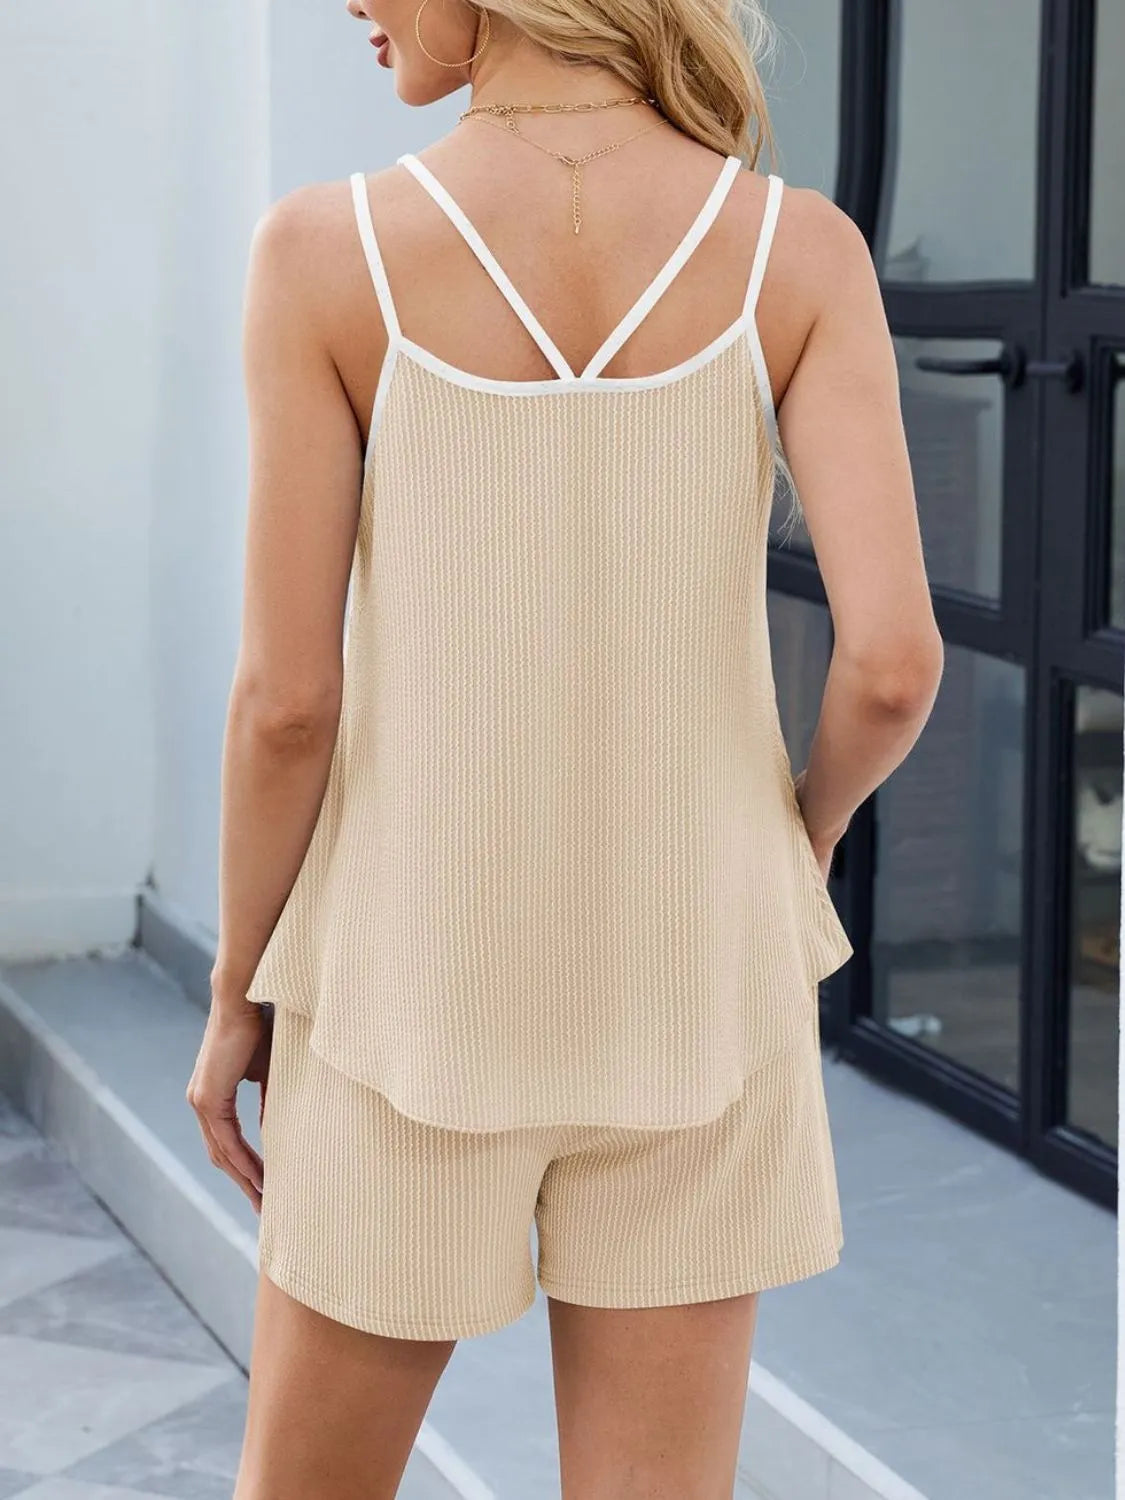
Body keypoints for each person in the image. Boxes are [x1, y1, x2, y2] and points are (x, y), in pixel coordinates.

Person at [186, 0, 943, 1492]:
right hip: (697, 997)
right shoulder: (796, 252)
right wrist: (801, 833)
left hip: (406, 1001)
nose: (351, 3)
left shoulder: (328, 252)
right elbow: (892, 665)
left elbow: (286, 704)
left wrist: (236, 989)